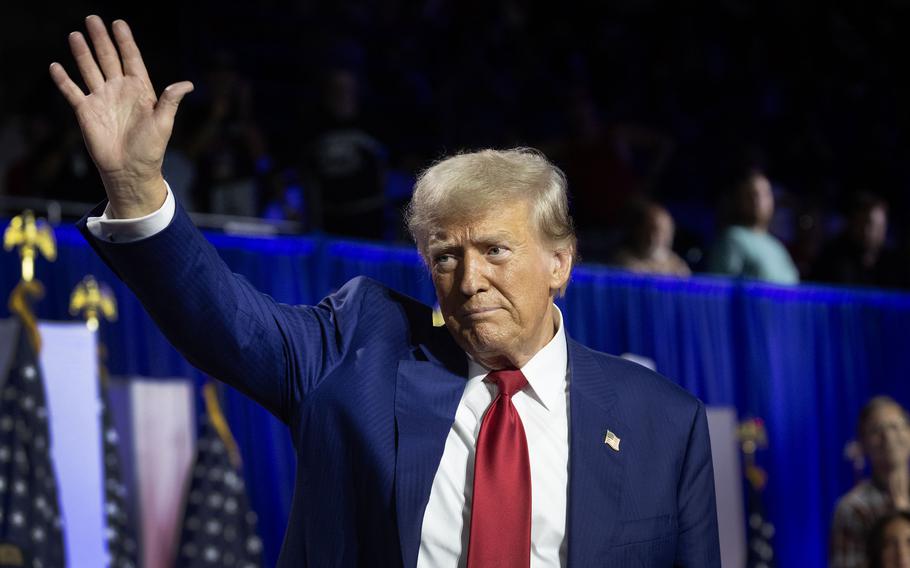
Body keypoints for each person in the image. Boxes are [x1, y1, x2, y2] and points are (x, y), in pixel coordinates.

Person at [49, 16, 720, 566]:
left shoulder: (662, 420)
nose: (469, 279)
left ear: (561, 262)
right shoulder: (359, 349)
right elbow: (225, 320)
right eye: (446, 256)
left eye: (495, 250)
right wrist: (137, 191)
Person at [831, 397, 910, 568]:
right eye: (876, 430)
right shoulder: (853, 509)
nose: (888, 437)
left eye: (895, 426)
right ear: (862, 444)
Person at [706, 169, 800, 284]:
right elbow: (721, 290)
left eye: (765, 194)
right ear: (739, 200)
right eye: (751, 194)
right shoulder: (732, 238)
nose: (758, 201)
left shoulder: (777, 246)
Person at [811, 193, 901, 289]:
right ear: (853, 222)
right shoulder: (831, 258)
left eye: (879, 227)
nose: (872, 232)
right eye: (868, 224)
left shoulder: (894, 264)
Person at [612, 199, 691, 277]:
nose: (659, 237)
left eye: (665, 231)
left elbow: (685, 279)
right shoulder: (624, 259)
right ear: (639, 230)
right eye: (654, 230)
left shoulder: (677, 264)